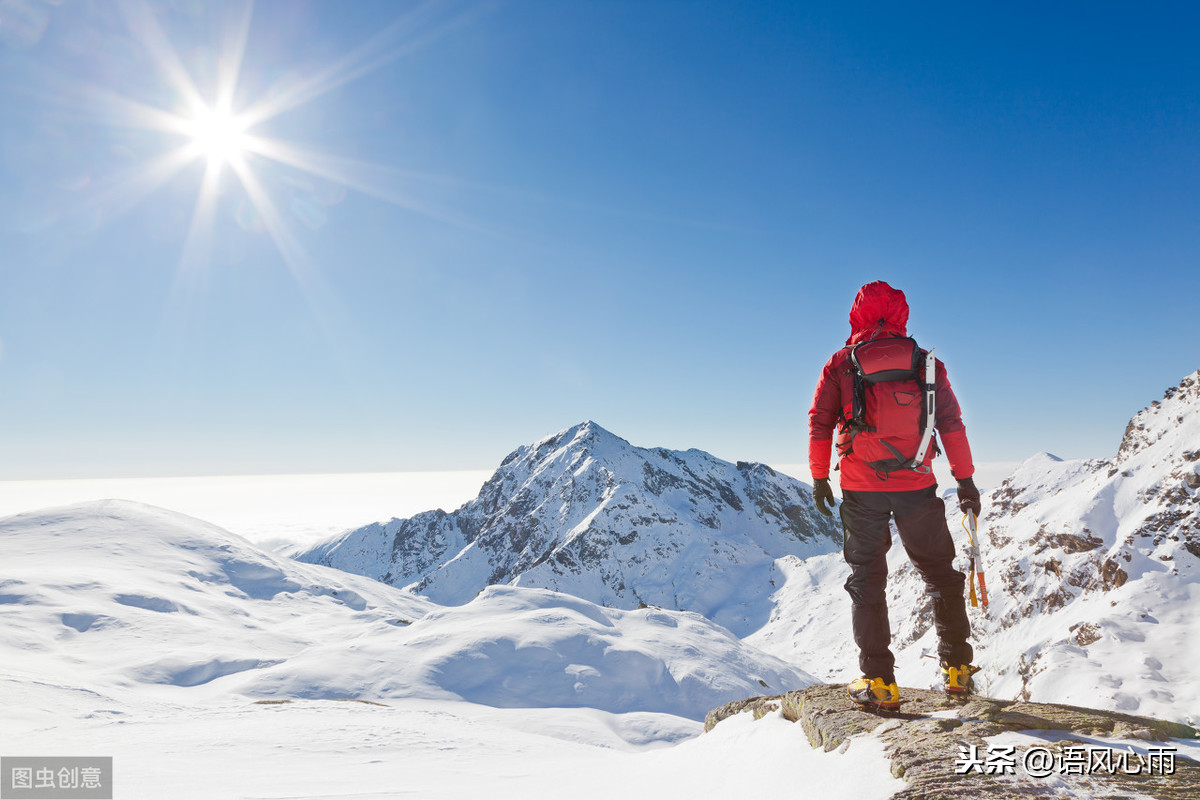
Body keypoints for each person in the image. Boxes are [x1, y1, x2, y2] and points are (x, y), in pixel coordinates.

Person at [807, 280, 982, 710]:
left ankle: (880, 683)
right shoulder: (926, 363)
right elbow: (952, 424)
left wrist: (818, 476)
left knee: (867, 580)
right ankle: (957, 671)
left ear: (856, 315)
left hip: (860, 488)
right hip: (917, 483)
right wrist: (965, 479)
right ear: (902, 314)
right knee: (940, 573)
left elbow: (820, 422)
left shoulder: (841, 364)